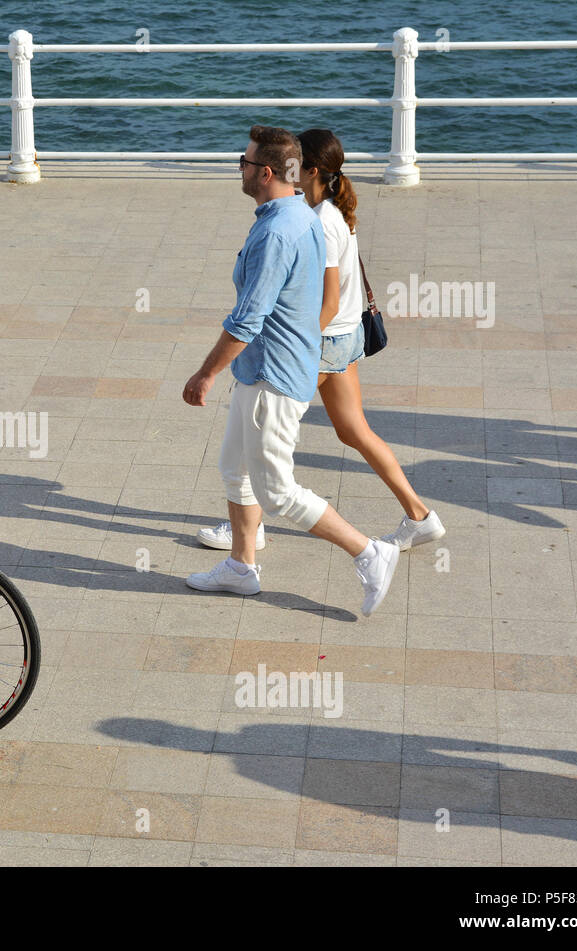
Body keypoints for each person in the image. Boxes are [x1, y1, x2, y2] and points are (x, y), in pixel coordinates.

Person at [182, 125, 399, 616]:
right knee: (235, 469)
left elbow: (246, 319)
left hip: (272, 379)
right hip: (267, 369)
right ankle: (241, 568)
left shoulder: (278, 231)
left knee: (277, 492)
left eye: (243, 159)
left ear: (263, 172)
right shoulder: (297, 213)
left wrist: (204, 374)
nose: (238, 165)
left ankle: (370, 553)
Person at [196, 129, 445, 554]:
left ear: (306, 170)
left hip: (325, 340)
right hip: (343, 337)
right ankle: (419, 515)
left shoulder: (320, 220)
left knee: (266, 436)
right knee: (353, 432)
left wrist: (298, 344)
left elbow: (326, 299)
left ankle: (257, 533)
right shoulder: (326, 211)